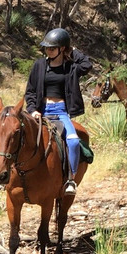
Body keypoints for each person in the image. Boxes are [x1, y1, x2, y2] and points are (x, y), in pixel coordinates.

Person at [23, 28, 92, 195]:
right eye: (46, 48)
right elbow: (30, 91)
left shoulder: (71, 68)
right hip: (42, 111)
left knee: (74, 142)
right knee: (18, 137)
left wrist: (72, 50)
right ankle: (8, 178)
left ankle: (70, 180)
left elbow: (87, 64)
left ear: (61, 49)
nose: (48, 51)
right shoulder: (39, 65)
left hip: (61, 112)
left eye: (52, 48)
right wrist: (32, 110)